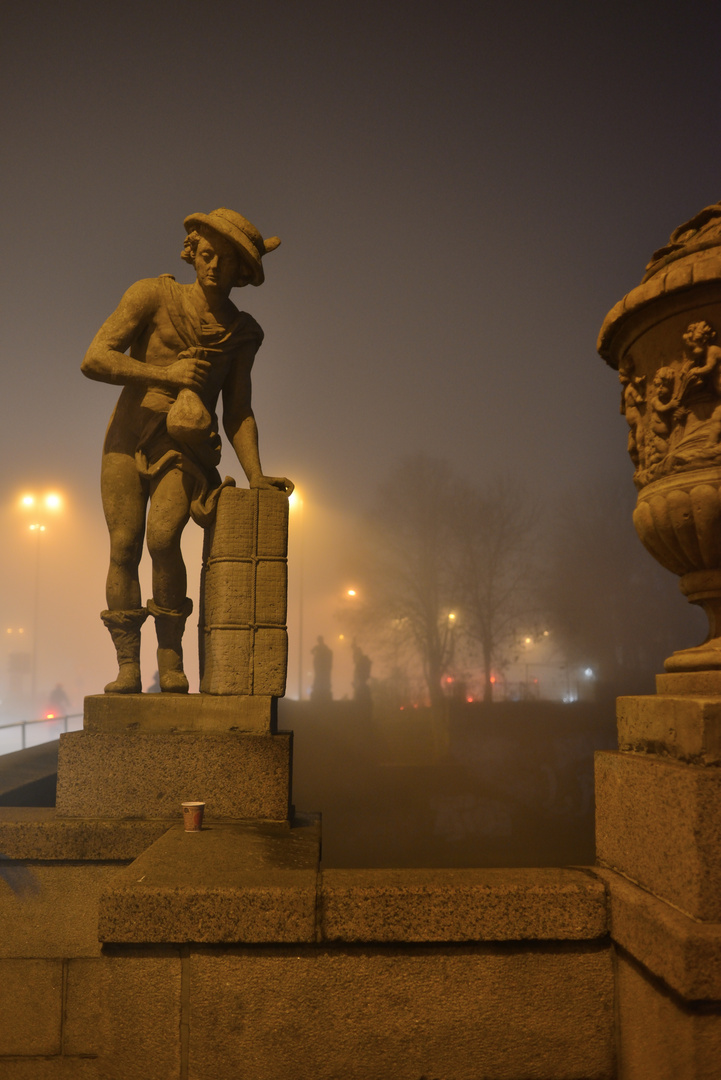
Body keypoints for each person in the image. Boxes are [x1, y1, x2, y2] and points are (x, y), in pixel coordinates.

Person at [82, 208, 292, 694]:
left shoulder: (242, 333)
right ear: (192, 252)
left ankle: (170, 655)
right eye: (206, 254)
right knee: (124, 545)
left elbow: (238, 409)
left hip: (184, 445)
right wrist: (165, 374)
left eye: (227, 260)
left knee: (162, 539)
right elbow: (95, 358)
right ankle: (128, 666)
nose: (214, 266)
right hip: (128, 435)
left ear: (243, 272)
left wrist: (256, 474)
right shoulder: (152, 295)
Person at [311, 636, 333, 703]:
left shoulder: (322, 647)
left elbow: (312, 651)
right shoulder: (322, 647)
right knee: (319, 678)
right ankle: (320, 688)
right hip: (320, 667)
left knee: (320, 678)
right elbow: (312, 651)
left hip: (321, 667)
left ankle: (320, 689)